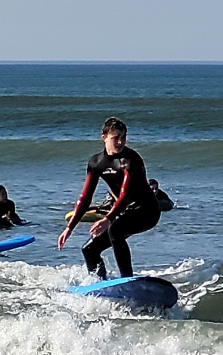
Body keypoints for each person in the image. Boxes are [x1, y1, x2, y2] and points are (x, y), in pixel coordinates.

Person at [58, 117, 160, 279]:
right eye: (115, 138)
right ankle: (100, 285)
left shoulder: (131, 160)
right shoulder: (96, 162)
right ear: (104, 138)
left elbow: (126, 194)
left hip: (147, 211)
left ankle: (127, 280)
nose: (120, 142)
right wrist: (70, 227)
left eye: (123, 137)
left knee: (115, 229)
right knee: (89, 249)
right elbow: (85, 197)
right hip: (125, 212)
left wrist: (108, 219)